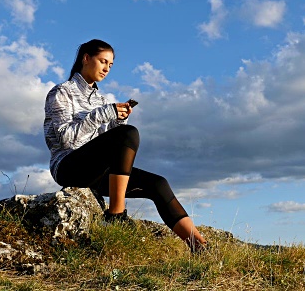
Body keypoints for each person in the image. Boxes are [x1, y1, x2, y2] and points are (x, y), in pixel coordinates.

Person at [44, 39, 207, 252]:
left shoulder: (100, 99)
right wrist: (104, 115)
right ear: (86, 58)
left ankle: (200, 247)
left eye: (110, 65)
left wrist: (117, 121)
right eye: (103, 61)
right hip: (68, 167)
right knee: (128, 134)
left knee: (158, 183)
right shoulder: (61, 92)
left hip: (97, 171)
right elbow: (65, 139)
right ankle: (116, 214)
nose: (106, 69)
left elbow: (106, 140)